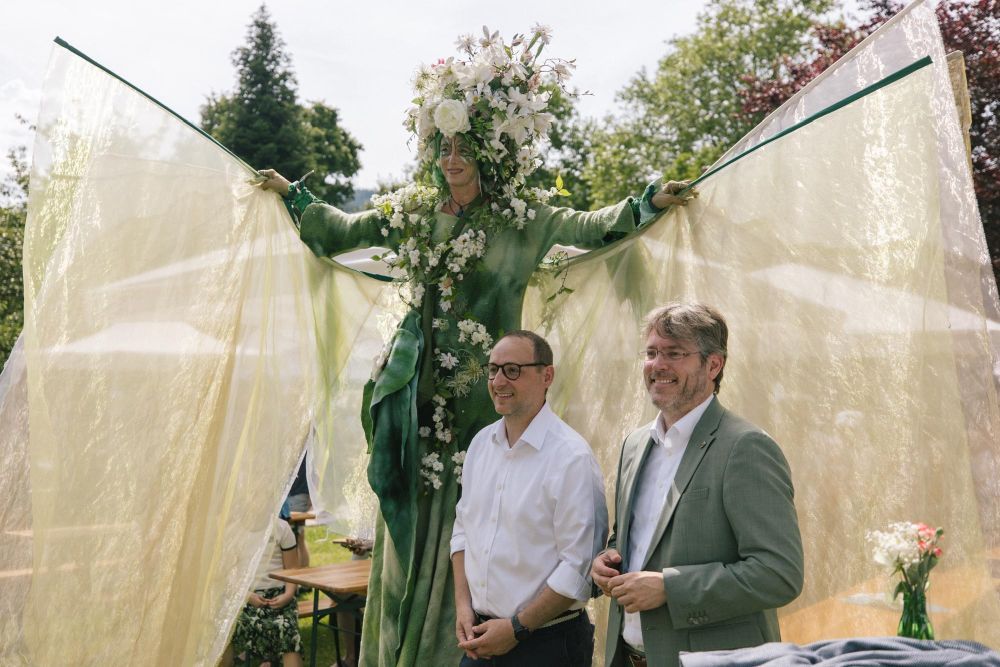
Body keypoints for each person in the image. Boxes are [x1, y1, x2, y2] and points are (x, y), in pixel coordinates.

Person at [259, 26, 695, 666]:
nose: (452, 159)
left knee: (484, 529)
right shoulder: (413, 212)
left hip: (488, 403)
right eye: (443, 145)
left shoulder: (523, 219)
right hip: (414, 410)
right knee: (413, 538)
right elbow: (341, 231)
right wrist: (293, 198)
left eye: (465, 147)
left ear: (492, 153)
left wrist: (645, 202)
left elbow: (590, 226)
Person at [591, 302, 804, 667]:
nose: (658, 365)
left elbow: (778, 573)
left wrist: (669, 588)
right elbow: (634, 539)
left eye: (674, 353)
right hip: (627, 657)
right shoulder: (635, 444)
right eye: (652, 352)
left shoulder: (745, 447)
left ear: (713, 365)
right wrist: (605, 561)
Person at [450, 330, 607, 666]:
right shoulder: (480, 445)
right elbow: (463, 531)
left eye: (513, 370)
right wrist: (464, 607)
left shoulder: (571, 458)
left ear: (546, 375)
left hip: (547, 644)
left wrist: (517, 628)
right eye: (492, 370)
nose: (498, 381)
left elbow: (577, 568)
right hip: (480, 639)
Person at [222, 514, 303, 667]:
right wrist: (247, 595)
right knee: (224, 630)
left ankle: (269, 660)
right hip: (245, 596)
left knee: (286, 629)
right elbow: (228, 575)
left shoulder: (281, 527)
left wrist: (288, 594)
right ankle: (266, 659)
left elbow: (292, 570)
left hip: (279, 594)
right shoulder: (234, 530)